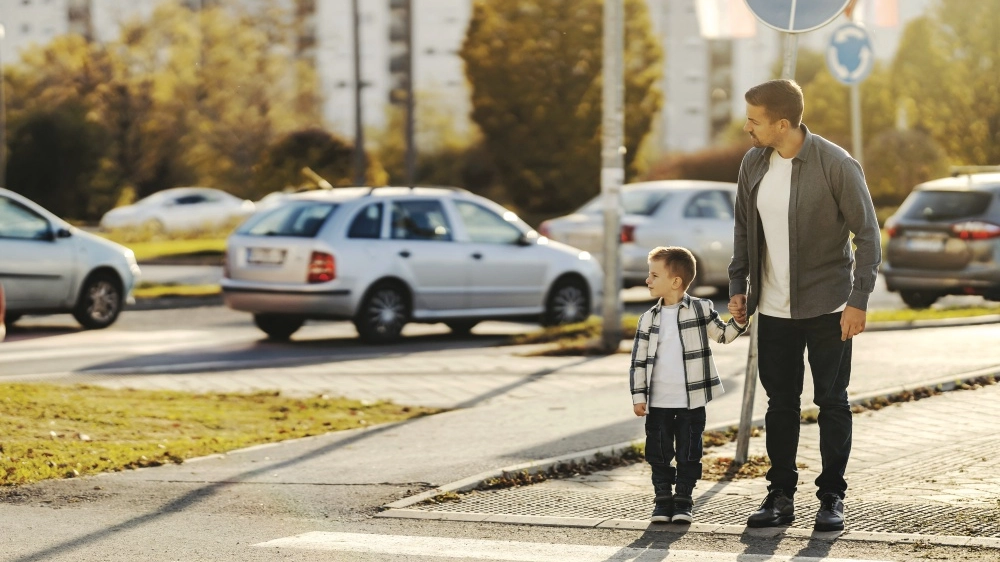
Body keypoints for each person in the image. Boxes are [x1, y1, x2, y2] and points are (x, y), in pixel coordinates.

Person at [728, 79, 881, 532]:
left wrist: (859, 300)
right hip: (773, 309)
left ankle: (832, 497)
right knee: (780, 404)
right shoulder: (752, 164)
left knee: (832, 401)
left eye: (754, 120)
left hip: (830, 306)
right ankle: (780, 496)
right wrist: (740, 287)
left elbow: (868, 236)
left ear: (781, 123)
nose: (746, 128)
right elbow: (742, 230)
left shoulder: (836, 164)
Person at [630, 246, 747, 524]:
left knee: (689, 452)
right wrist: (638, 395)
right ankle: (662, 501)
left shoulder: (700, 309)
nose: (648, 280)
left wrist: (740, 320)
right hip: (657, 401)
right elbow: (637, 362)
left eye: (653, 275)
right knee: (658, 453)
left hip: (691, 402)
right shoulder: (648, 319)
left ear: (675, 281)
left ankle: (683, 500)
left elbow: (722, 336)